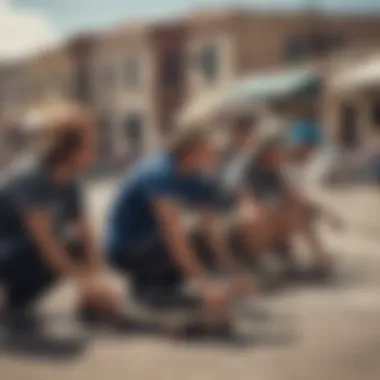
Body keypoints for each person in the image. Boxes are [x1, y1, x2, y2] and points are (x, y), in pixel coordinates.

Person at [106, 126, 252, 336]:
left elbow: (209, 226)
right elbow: (173, 234)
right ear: (191, 151)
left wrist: (232, 270)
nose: (215, 156)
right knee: (184, 234)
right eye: (210, 151)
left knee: (198, 235)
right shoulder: (158, 172)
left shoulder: (192, 174)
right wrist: (205, 286)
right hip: (126, 249)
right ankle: (144, 295)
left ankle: (159, 289)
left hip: (151, 241)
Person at [0, 103, 127, 336]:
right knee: (50, 251)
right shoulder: (30, 177)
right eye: (90, 147)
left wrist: (100, 277)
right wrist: (85, 284)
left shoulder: (69, 181)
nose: (95, 154)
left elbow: (85, 233)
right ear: (71, 151)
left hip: (24, 252)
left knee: (73, 246)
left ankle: (18, 301)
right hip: (9, 253)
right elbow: (44, 241)